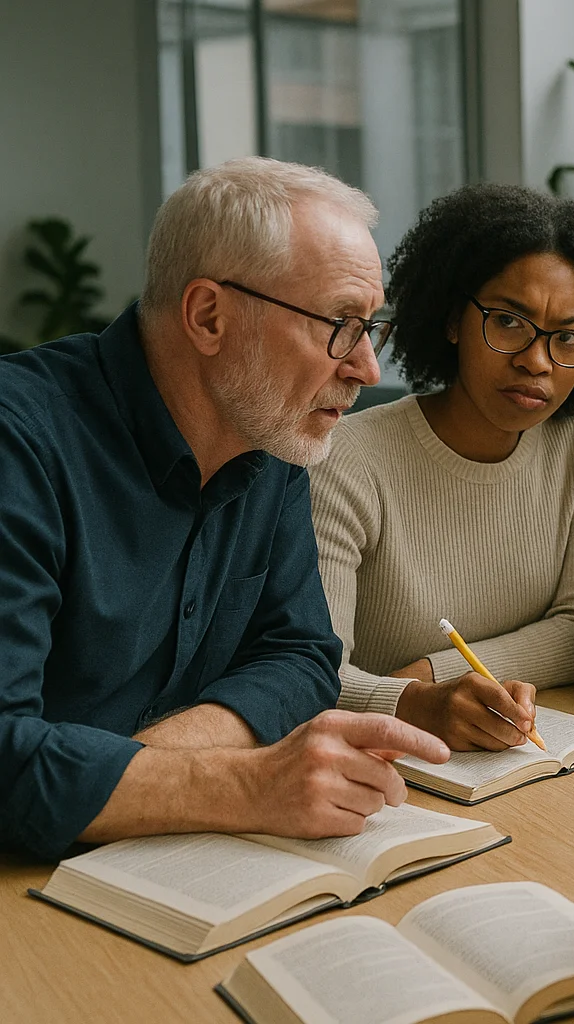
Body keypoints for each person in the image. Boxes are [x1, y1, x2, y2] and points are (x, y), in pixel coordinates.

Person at [0, 157, 449, 861]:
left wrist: (128, 773)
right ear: (209, 315)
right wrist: (243, 785)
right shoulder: (17, 442)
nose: (366, 368)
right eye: (339, 322)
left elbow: (301, 657)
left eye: (372, 327)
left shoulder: (271, 431)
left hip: (153, 860)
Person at [309, 185, 574, 750]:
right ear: (453, 319)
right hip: (382, 761)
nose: (536, 360)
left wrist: (435, 674)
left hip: (517, 746)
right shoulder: (347, 459)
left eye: (569, 338)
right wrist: (418, 703)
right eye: (508, 322)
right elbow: (312, 674)